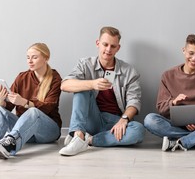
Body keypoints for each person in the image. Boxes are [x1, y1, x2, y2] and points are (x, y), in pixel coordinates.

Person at [59, 26, 145, 156]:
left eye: (113, 46)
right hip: (91, 118)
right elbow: (64, 85)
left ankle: (88, 140)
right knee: (82, 87)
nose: (108, 49)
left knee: (138, 130)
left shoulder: (129, 72)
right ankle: (78, 135)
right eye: (105, 44)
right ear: (98, 43)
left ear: (118, 48)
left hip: (115, 122)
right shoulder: (85, 64)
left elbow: (134, 101)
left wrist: (124, 119)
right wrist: (92, 84)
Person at [0, 43, 62, 159]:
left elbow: (48, 107)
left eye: (34, 57)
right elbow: (9, 107)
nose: (30, 61)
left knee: (33, 112)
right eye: (28, 57)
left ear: (46, 58)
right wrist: (1, 101)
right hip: (25, 131)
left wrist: (25, 102)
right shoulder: (22, 77)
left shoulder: (55, 78)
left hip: (48, 132)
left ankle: (10, 144)